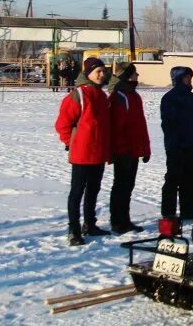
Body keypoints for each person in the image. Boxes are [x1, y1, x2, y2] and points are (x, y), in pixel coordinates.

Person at [54, 57, 111, 245]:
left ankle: (90, 224)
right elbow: (63, 123)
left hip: (98, 153)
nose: (102, 75)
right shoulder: (78, 95)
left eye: (103, 71)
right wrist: (70, 142)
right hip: (82, 154)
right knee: (77, 191)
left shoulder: (102, 96)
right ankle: (74, 229)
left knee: (93, 190)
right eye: (98, 72)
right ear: (88, 74)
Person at [108, 62, 151, 234]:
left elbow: (140, 126)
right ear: (127, 75)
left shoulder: (132, 95)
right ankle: (117, 221)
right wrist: (122, 150)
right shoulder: (119, 96)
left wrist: (145, 149)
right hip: (124, 151)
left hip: (133, 149)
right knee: (121, 186)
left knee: (128, 186)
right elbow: (117, 127)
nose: (137, 76)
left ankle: (125, 219)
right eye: (135, 74)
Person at [160, 66, 193, 220]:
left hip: (191, 144)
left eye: (190, 77)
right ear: (178, 79)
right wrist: (176, 143)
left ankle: (188, 211)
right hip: (176, 147)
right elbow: (168, 125)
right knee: (173, 179)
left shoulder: (192, 97)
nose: (189, 80)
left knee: (189, 179)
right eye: (186, 77)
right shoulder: (169, 98)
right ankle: (168, 212)